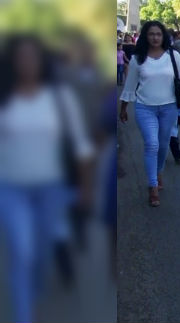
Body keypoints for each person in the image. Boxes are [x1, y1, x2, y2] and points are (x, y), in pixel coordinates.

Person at [0, 34, 94, 323]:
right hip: (11, 188)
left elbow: (81, 145)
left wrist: (86, 187)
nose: (27, 63)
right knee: (22, 250)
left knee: (41, 252)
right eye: (21, 57)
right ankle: (25, 314)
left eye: (33, 57)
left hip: (50, 188)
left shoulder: (59, 97)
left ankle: (35, 289)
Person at [119, 20, 180, 207]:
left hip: (168, 108)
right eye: (151, 34)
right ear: (145, 36)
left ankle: (158, 171)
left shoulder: (173, 56)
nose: (155, 37)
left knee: (162, 145)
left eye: (158, 34)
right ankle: (152, 186)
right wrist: (123, 108)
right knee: (151, 144)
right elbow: (129, 85)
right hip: (145, 108)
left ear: (163, 37)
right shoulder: (138, 59)